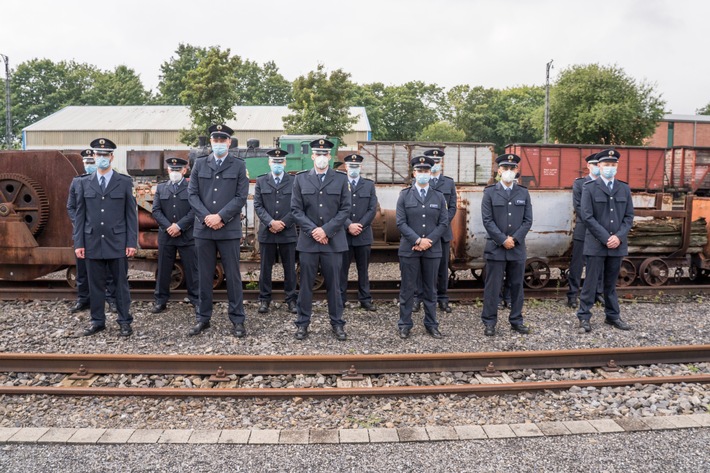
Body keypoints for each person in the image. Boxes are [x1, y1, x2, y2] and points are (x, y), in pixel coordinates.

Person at [187, 124, 250, 337]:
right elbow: (192, 194)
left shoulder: (238, 165)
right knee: (204, 275)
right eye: (216, 140)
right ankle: (203, 318)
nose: (219, 144)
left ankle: (237, 319)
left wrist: (220, 217)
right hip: (204, 229)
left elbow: (241, 197)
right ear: (211, 142)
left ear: (229, 143)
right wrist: (207, 217)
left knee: (232, 275)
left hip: (228, 229)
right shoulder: (200, 164)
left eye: (223, 140)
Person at [73, 138, 137, 337]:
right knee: (95, 286)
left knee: (120, 286)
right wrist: (79, 243)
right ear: (93, 156)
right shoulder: (83, 183)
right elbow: (80, 216)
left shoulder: (124, 182)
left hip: (117, 243)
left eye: (105, 154)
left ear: (111, 157)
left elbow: (130, 215)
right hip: (92, 242)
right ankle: (97, 321)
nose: (101, 158)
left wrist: (131, 242)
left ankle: (124, 321)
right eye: (98, 154)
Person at [291, 138, 351, 341]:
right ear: (312, 156)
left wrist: (326, 231)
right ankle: (302, 323)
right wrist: (314, 231)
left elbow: (345, 209)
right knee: (306, 284)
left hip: (333, 242)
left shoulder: (341, 179)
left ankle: (337, 323)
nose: (322, 157)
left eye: (326, 154)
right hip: (309, 242)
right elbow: (296, 210)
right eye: (318, 154)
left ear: (330, 157)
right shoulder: (300, 179)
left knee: (334, 286)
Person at [577, 149, 634, 333]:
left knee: (610, 284)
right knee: (591, 282)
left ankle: (612, 316)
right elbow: (587, 216)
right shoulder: (589, 188)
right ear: (599, 166)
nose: (610, 168)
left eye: (613, 165)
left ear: (617, 166)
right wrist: (605, 237)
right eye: (606, 165)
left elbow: (628, 216)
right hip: (596, 244)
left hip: (617, 244)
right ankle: (584, 317)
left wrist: (618, 237)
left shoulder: (624, 188)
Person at [396, 156, 448, 339]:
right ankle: (404, 324)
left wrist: (428, 241)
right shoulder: (404, 195)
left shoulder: (439, 196)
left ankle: (431, 324)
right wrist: (418, 241)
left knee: (430, 289)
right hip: (410, 249)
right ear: (414, 173)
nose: (423, 174)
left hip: (432, 250)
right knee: (408, 288)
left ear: (430, 173)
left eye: (427, 171)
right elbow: (401, 223)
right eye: (420, 171)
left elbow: (443, 223)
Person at [480, 153, 532, 336]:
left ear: (517, 171)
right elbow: (487, 220)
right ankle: (489, 322)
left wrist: (514, 239)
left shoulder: (523, 193)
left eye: (513, 168)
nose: (509, 171)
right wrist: (503, 239)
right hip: (496, 248)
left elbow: (528, 221)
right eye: (506, 168)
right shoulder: (489, 192)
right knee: (492, 287)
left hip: (517, 248)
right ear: (499, 170)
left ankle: (516, 320)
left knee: (517, 286)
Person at [151, 157, 199, 313]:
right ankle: (160, 300)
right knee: (164, 269)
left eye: (178, 169)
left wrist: (179, 226)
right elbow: (156, 211)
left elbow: (194, 210)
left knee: (192, 270)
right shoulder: (161, 188)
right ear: (168, 170)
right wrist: (169, 227)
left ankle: (196, 299)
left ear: (184, 171)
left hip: (186, 235)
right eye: (172, 170)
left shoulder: (192, 187)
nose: (175, 172)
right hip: (167, 235)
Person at [253, 148, 298, 314]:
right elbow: (258, 205)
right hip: (267, 231)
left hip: (287, 232)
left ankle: (291, 299)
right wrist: (271, 222)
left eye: (280, 162)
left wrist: (284, 223)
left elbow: (297, 206)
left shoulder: (294, 181)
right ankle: (264, 299)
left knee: (290, 269)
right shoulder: (261, 181)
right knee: (265, 268)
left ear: (285, 162)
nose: (277, 164)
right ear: (269, 162)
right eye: (274, 161)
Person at [339, 153, 378, 312]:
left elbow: (372, 209)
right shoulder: (340, 183)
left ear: (360, 167)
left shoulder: (368, 185)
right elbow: (337, 208)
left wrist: (359, 225)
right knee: (342, 269)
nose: (353, 168)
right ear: (346, 167)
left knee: (363, 269)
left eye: (356, 166)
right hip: (344, 234)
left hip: (363, 234)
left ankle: (365, 299)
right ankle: (340, 299)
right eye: (350, 166)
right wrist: (349, 225)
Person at [567, 153, 604, 309]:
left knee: (597, 265)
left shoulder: (605, 184)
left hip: (600, 232)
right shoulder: (580, 184)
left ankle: (598, 293)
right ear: (588, 166)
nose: (596, 167)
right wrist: (594, 224)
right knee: (577, 265)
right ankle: (572, 295)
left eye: (598, 164)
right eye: (593, 164)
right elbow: (579, 207)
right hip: (584, 229)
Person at [424, 148, 457, 313]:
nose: (435, 164)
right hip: (424, 234)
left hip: (443, 234)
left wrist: (441, 225)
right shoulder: (421, 181)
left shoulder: (449, 183)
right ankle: (419, 297)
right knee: (422, 267)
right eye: (432, 162)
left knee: (443, 268)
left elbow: (452, 208)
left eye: (437, 162)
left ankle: (442, 298)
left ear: (441, 163)